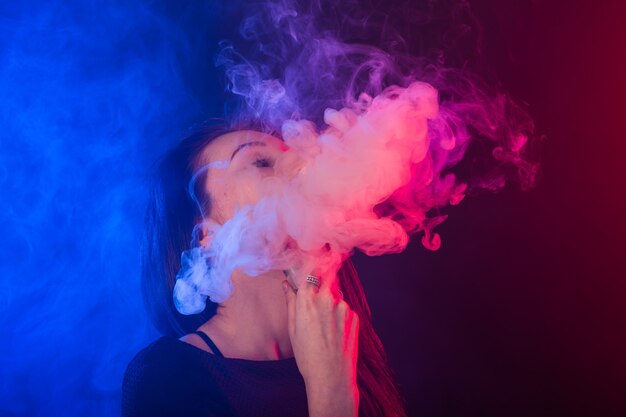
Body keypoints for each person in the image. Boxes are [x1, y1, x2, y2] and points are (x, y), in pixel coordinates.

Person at [122, 125, 408, 417]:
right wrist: (330, 389)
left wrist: (312, 279)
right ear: (205, 236)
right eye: (261, 162)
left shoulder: (344, 344)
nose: (302, 169)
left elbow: (310, 279)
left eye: (299, 158)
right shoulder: (168, 380)